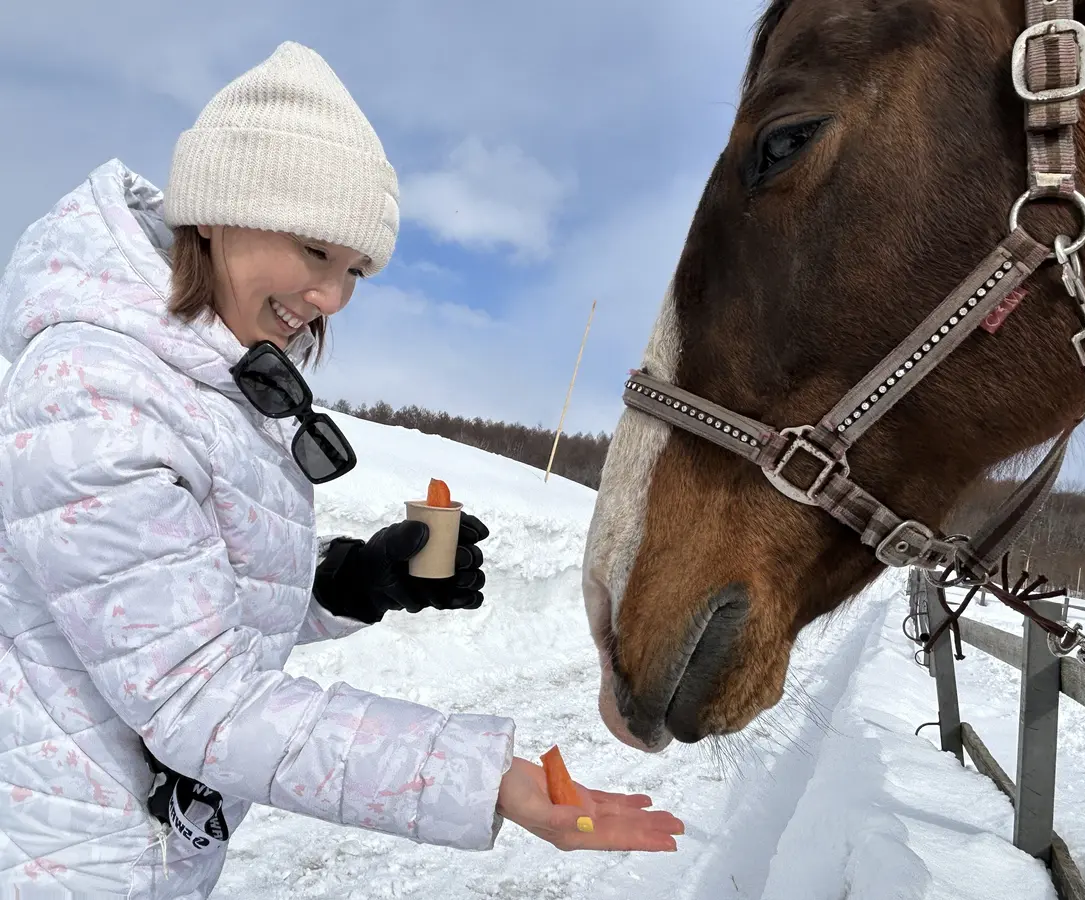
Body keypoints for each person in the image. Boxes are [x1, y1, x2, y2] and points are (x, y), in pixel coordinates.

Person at [0, 41, 683, 898]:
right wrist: (488, 781)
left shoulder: (211, 381)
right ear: (215, 210)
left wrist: (359, 581)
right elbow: (197, 697)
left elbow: (192, 611)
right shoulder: (94, 395)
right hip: (66, 858)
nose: (331, 298)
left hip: (146, 846)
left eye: (353, 268)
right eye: (315, 250)